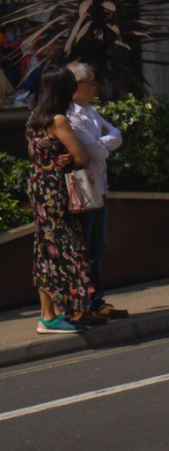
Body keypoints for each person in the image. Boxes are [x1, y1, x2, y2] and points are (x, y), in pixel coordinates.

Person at [26, 68, 103, 332]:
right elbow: (81, 157)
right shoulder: (59, 119)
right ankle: (54, 314)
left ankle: (49, 314)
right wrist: (71, 158)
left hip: (38, 187)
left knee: (46, 248)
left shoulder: (34, 117)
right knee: (67, 247)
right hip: (56, 190)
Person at [63, 63, 120, 286]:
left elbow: (117, 134)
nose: (95, 88)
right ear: (77, 84)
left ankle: (97, 301)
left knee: (97, 247)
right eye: (92, 83)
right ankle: (85, 299)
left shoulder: (90, 111)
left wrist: (102, 144)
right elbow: (94, 151)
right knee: (84, 246)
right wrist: (105, 145)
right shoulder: (69, 115)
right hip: (83, 189)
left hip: (100, 186)